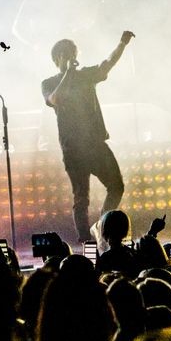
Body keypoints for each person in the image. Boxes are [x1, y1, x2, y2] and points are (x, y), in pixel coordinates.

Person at [42, 30, 135, 243]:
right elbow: (54, 99)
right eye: (66, 54)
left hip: (95, 144)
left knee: (116, 186)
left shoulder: (85, 76)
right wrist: (66, 73)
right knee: (81, 197)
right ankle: (87, 244)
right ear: (57, 59)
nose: (72, 58)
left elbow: (107, 64)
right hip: (73, 148)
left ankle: (103, 229)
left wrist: (122, 43)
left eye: (73, 53)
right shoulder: (49, 83)